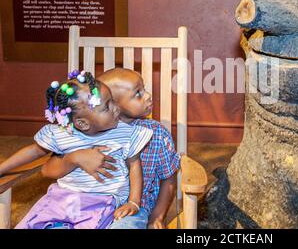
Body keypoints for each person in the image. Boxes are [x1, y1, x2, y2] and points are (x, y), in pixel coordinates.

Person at [0, 71, 153, 229]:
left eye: (113, 101)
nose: (116, 108)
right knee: (37, 222)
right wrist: (2, 168)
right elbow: (34, 151)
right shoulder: (62, 134)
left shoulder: (125, 132)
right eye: (107, 106)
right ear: (82, 123)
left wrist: (133, 201)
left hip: (106, 201)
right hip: (64, 200)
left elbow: (135, 165)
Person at [42, 68, 180, 229]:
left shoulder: (156, 133)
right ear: (112, 102)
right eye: (138, 93)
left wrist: (157, 216)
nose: (148, 96)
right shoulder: (81, 133)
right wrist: (74, 157)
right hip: (85, 208)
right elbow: (47, 170)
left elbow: (168, 177)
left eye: (144, 89)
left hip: (131, 210)